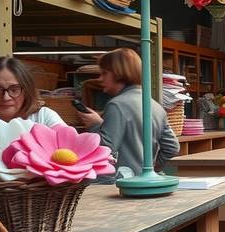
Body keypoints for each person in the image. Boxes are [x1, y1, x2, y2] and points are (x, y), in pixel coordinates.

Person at [76, 48, 180, 176]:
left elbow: (106, 149)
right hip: (145, 180)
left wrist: (95, 125)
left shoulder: (117, 105)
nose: (100, 79)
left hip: (117, 181)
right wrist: (152, 169)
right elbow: (172, 147)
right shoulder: (155, 106)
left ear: (119, 73)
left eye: (104, 73)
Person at [0, 56, 65, 138]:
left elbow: (68, 149)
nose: (6, 97)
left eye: (14, 89)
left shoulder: (44, 117)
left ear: (27, 90)